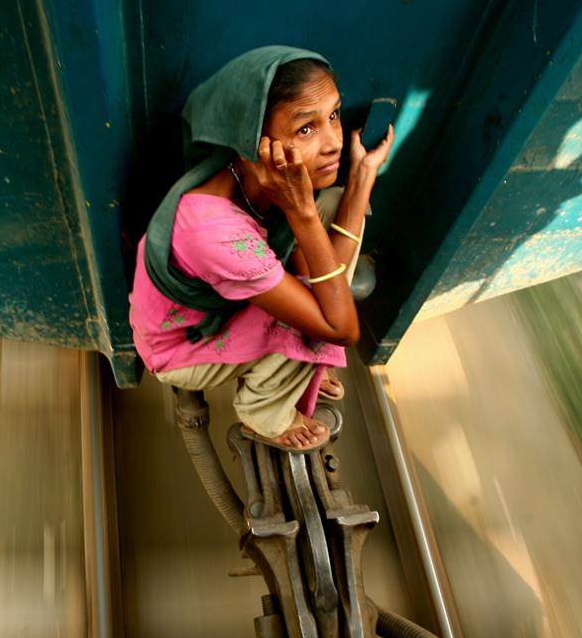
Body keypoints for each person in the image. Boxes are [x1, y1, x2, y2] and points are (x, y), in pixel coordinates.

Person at [129, 46, 393, 451]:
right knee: (311, 327)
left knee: (332, 209)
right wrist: (302, 215)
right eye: (306, 129)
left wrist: (360, 180)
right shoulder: (216, 233)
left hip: (228, 301)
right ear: (255, 141)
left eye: (334, 115)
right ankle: (263, 411)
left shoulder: (253, 174)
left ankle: (291, 368)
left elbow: (329, 282)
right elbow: (341, 328)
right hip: (182, 346)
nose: (333, 143)